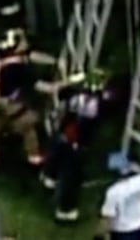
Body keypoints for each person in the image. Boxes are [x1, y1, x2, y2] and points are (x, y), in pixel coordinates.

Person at [0, 29, 59, 171]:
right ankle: (35, 155)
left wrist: (53, 61)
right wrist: (65, 84)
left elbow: (30, 55)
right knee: (30, 120)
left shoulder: (5, 55)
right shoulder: (16, 68)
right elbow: (43, 87)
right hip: (7, 102)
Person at [43, 69, 107, 223]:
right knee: (70, 176)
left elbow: (62, 93)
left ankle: (50, 178)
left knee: (65, 168)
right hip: (75, 143)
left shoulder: (78, 97)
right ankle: (65, 209)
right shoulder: (97, 104)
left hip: (70, 139)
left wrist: (73, 82)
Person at [99, 149, 140, 240]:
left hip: (121, 232)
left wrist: (102, 235)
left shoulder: (112, 192)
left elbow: (108, 217)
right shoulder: (139, 181)